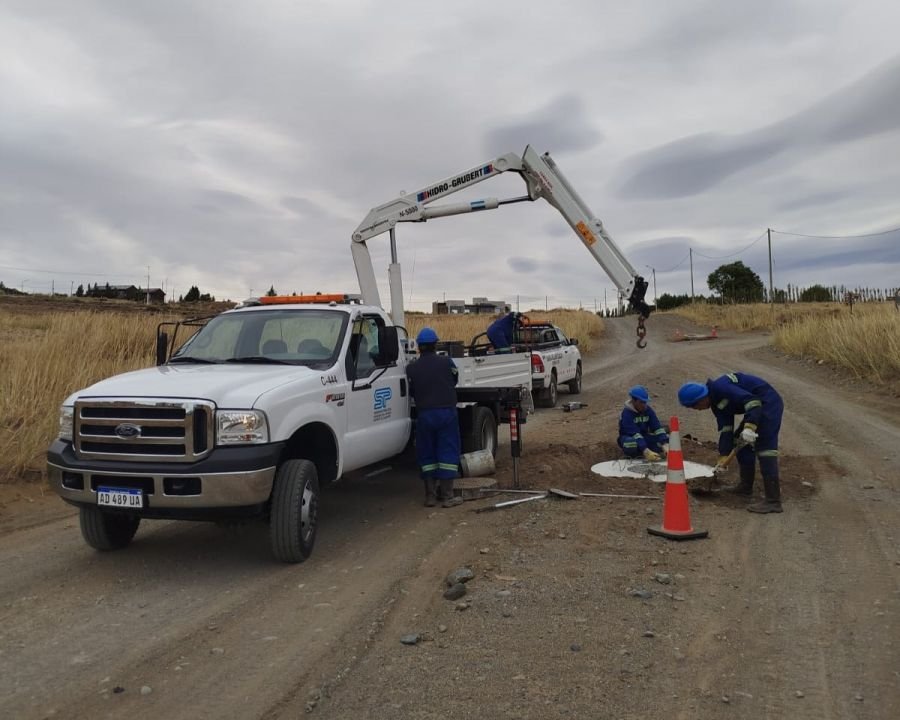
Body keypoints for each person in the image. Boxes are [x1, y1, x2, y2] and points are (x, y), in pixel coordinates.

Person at [678, 372, 784, 514]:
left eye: (693, 406)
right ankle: (745, 488)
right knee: (740, 443)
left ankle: (773, 501)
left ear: (701, 398)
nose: (696, 410)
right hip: (756, 407)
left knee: (765, 449)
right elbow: (726, 429)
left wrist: (750, 427)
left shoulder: (721, 388)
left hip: (767, 403)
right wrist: (723, 455)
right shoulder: (715, 402)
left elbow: (753, 402)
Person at [406, 327, 463, 508]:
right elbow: (455, 379)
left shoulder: (412, 368)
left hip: (425, 415)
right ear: (435, 344)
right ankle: (447, 496)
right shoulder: (446, 362)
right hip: (446, 413)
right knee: (447, 451)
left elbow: (411, 391)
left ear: (419, 347)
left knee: (427, 452)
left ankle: (430, 496)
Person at [617, 385, 669, 461]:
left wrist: (665, 443)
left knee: (668, 439)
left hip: (644, 437)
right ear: (633, 401)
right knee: (630, 443)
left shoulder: (648, 410)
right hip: (629, 437)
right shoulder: (626, 413)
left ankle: (652, 452)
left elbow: (657, 427)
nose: (644, 405)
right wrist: (645, 450)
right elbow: (634, 433)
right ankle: (634, 455)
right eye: (641, 402)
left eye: (645, 402)